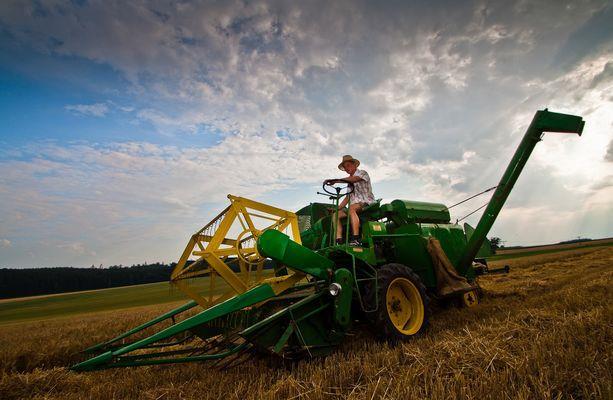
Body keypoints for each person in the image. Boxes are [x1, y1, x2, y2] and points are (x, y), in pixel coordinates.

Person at [324, 155, 376, 246]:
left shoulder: (363, 173)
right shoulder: (349, 184)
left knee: (351, 208)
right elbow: (347, 198)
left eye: (348, 165)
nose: (346, 168)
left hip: (366, 202)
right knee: (336, 215)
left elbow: (354, 179)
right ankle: (338, 240)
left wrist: (336, 180)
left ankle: (356, 239)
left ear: (354, 165)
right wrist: (337, 208)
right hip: (354, 206)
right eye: (345, 167)